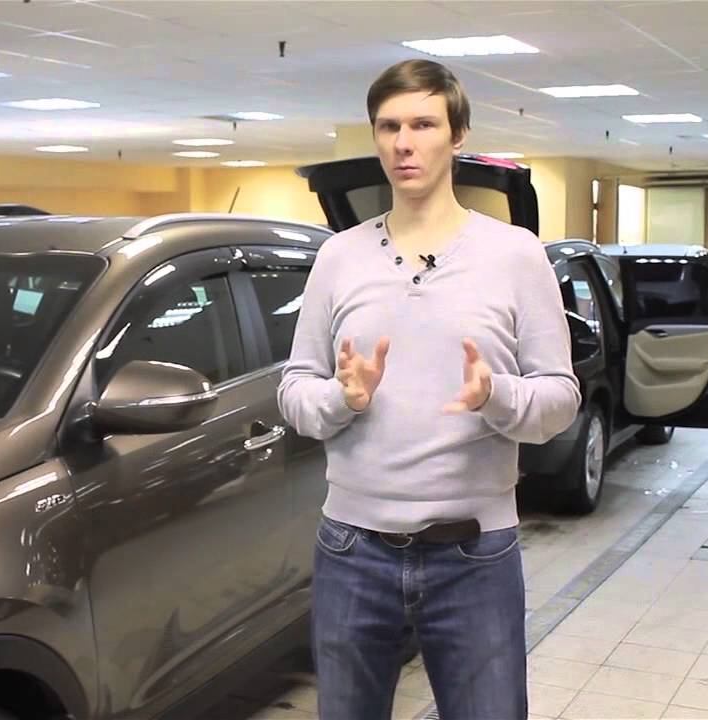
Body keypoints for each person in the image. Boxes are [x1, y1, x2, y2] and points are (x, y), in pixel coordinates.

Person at [276, 58, 581, 720]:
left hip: (475, 555)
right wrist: (342, 399)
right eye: (389, 127)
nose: (403, 144)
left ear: (458, 134)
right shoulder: (339, 257)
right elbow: (294, 390)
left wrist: (497, 396)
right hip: (352, 551)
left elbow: (560, 398)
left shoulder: (515, 255)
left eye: (422, 124)